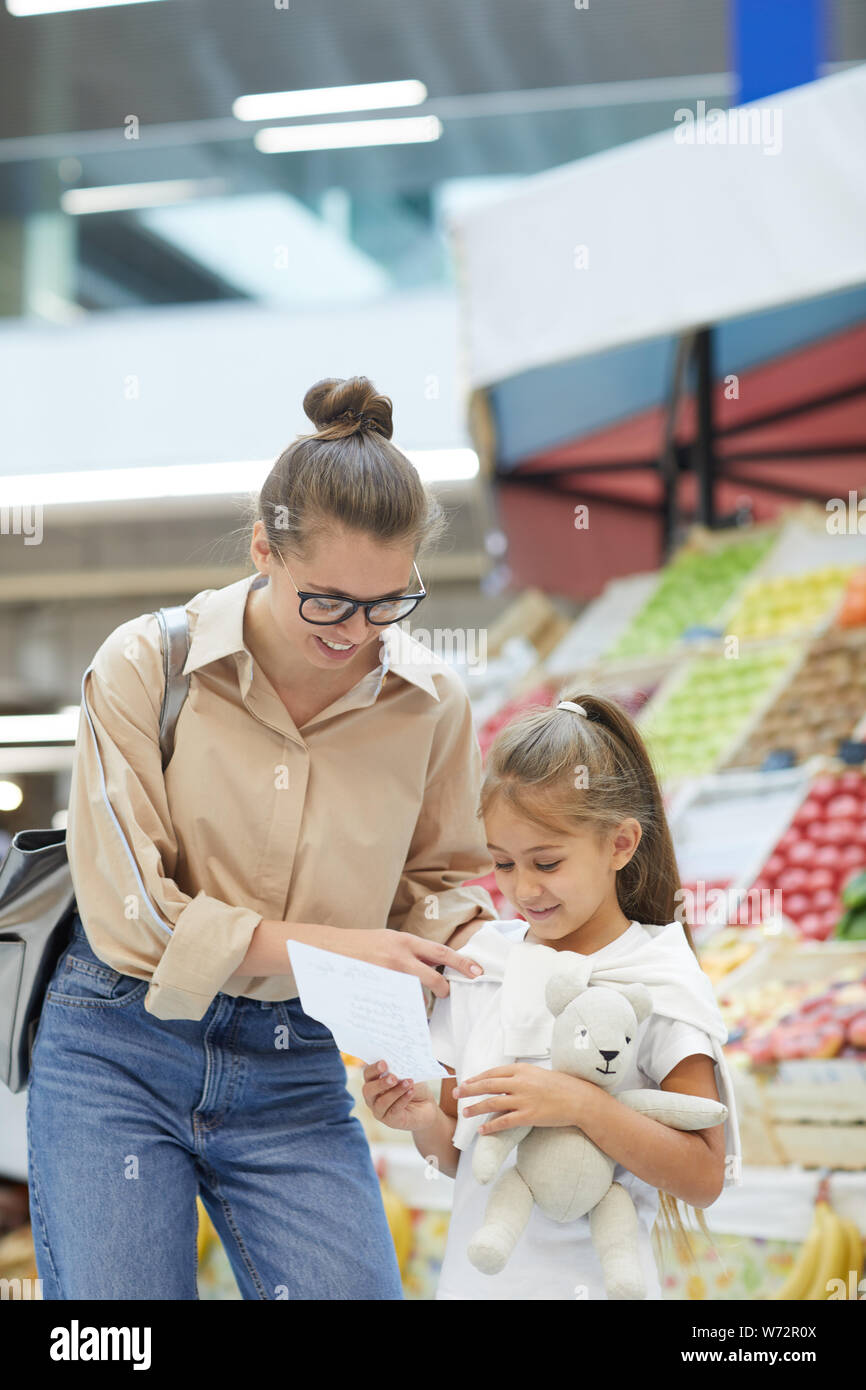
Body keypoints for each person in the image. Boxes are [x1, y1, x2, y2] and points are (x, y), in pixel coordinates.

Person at [26, 375, 497, 1301]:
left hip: (296, 1058)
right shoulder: (145, 665)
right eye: (326, 601)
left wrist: (488, 967)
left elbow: (440, 886)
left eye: (387, 603)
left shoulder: (431, 702)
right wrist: (346, 950)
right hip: (118, 1042)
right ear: (261, 550)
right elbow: (134, 917)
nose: (356, 633)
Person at [362, 692, 741, 1300]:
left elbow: (703, 1177)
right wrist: (422, 1119)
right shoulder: (483, 966)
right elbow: (464, 1155)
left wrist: (581, 1104)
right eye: (504, 864)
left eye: (547, 862)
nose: (524, 889)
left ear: (620, 844)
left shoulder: (660, 976)